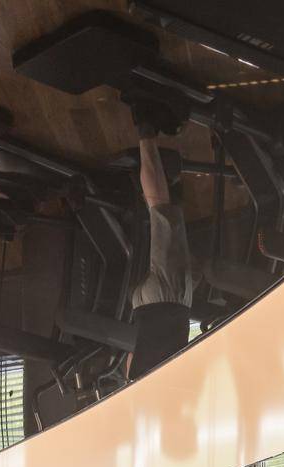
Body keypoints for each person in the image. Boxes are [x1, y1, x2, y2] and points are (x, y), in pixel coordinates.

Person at [124, 96, 194, 381]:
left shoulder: (175, 397)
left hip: (171, 300)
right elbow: (130, 358)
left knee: (160, 209)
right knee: (163, 217)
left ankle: (146, 124)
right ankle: (163, 171)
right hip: (141, 307)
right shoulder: (136, 392)